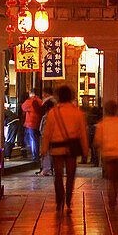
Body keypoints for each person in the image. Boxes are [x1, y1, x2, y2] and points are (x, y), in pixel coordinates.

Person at [41, 86, 90, 215]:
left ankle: (59, 201)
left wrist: (44, 148)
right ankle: (68, 199)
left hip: (57, 148)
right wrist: (85, 150)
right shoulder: (77, 112)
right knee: (70, 175)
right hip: (71, 149)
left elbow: (47, 133)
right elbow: (83, 133)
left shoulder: (53, 112)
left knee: (58, 176)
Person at [35, 87, 58, 176]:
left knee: (46, 151)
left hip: (47, 133)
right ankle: (48, 169)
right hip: (52, 133)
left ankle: (46, 169)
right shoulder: (55, 103)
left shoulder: (49, 103)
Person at [21, 91, 44, 166]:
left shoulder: (30, 101)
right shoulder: (40, 101)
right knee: (36, 140)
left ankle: (34, 156)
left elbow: (23, 107)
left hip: (30, 123)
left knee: (32, 140)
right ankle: (36, 155)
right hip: (38, 123)